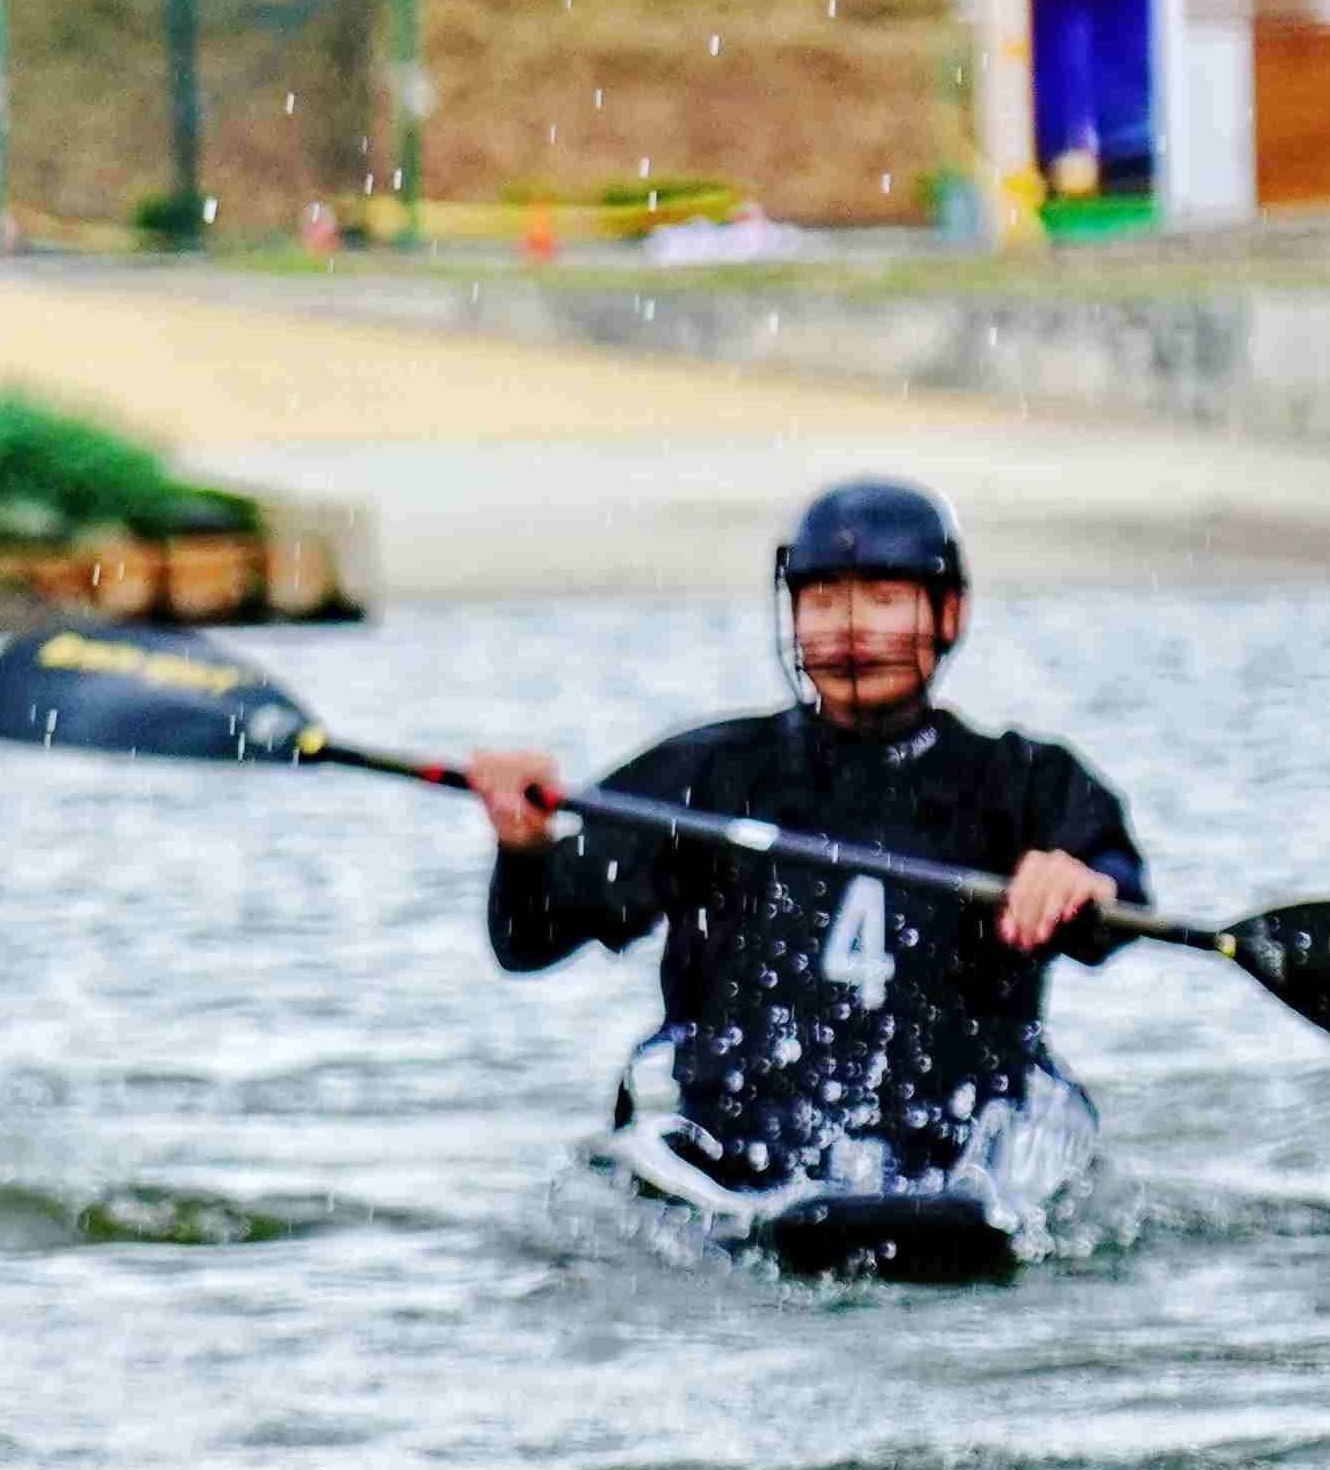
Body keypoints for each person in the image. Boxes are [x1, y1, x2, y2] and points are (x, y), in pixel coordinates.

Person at [461, 479, 1137, 1193]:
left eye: (881, 598)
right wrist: (523, 844)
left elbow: (1114, 900)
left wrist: (1081, 883)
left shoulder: (1025, 779)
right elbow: (528, 940)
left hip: (964, 1174)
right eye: (821, 600)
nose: (848, 627)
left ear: (949, 611)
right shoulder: (704, 773)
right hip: (736, 1172)